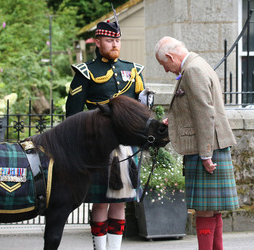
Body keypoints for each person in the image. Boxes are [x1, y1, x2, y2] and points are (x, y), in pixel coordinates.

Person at [66, 19, 147, 250]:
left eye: (118, 40)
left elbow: (142, 110)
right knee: (100, 202)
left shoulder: (133, 70)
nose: (115, 44)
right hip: (98, 147)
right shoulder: (86, 72)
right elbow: (73, 114)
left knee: (120, 201)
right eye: (110, 40)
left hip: (126, 147)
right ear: (98, 42)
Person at [154, 36, 239, 250]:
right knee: (213, 209)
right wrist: (173, 121)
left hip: (206, 146)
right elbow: (196, 108)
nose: (166, 70)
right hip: (213, 144)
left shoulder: (192, 70)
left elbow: (205, 113)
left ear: (170, 57)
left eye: (164, 65)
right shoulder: (199, 63)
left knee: (204, 210)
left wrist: (206, 154)